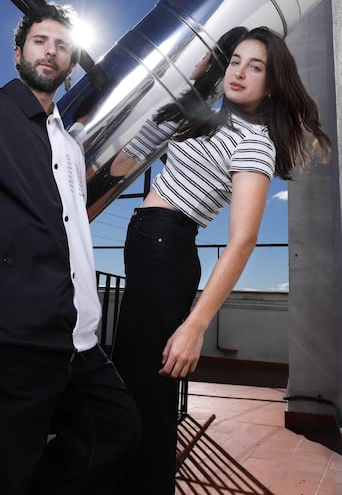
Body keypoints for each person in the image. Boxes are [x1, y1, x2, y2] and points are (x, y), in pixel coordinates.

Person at [0, 2, 141, 495]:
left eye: (63, 46)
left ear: (69, 65)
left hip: (72, 341)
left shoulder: (67, 144)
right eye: (41, 41)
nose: (51, 51)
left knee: (115, 430)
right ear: (18, 52)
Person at [110, 26, 331, 495]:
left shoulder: (255, 141)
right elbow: (120, 166)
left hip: (167, 251)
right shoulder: (202, 119)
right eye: (235, 61)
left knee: (146, 397)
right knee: (134, 387)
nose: (240, 71)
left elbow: (245, 239)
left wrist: (195, 325)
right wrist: (183, 93)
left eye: (256, 67)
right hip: (149, 247)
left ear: (271, 84)